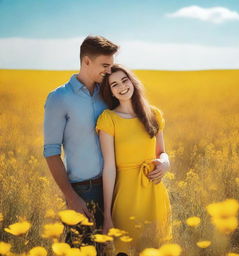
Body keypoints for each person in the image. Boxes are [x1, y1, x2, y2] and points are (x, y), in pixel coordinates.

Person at [43, 35, 118, 250]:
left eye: (111, 66)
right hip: (83, 191)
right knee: (79, 249)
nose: (109, 71)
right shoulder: (59, 97)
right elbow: (51, 152)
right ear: (86, 61)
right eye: (105, 65)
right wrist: (72, 197)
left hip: (114, 186)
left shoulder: (108, 93)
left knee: (107, 250)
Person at [96, 64, 172, 255]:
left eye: (124, 80)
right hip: (126, 196)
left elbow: (161, 152)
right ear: (111, 92)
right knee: (125, 250)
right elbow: (109, 168)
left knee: (155, 249)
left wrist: (166, 163)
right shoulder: (108, 118)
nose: (122, 87)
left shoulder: (153, 114)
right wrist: (107, 216)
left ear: (132, 82)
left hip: (154, 193)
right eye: (114, 85)